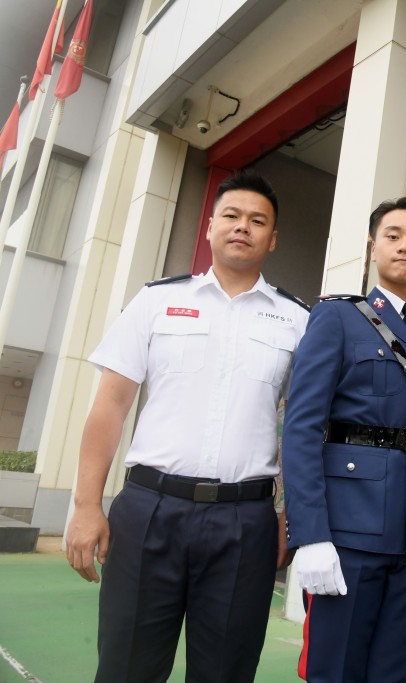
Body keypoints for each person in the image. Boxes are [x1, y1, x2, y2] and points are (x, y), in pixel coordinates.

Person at [64, 171, 310, 682]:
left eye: (257, 220)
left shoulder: (296, 321)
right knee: (126, 667)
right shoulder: (156, 301)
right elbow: (110, 405)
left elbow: (297, 428)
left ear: (273, 238)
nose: (243, 227)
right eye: (232, 216)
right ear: (211, 226)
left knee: (225, 671)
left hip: (245, 522)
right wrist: (86, 506)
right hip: (148, 512)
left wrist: (288, 517)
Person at [282, 197, 406, 683]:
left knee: (399, 670)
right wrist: (310, 535)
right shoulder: (338, 319)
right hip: (348, 531)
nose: (404, 246)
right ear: (373, 247)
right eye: (393, 235)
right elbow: (301, 428)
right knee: (337, 669)